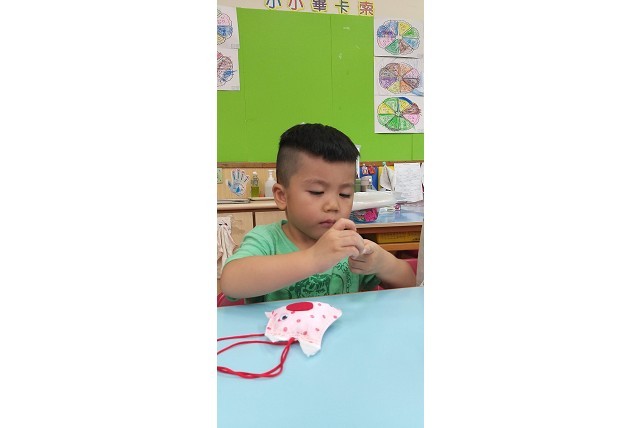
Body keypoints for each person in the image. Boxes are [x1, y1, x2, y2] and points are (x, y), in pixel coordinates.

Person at [220, 123, 416, 303]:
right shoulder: (267, 240)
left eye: (345, 194)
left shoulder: (349, 244)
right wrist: (314, 259)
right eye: (317, 192)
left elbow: (409, 284)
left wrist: (382, 263)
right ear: (282, 196)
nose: (333, 205)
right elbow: (231, 282)